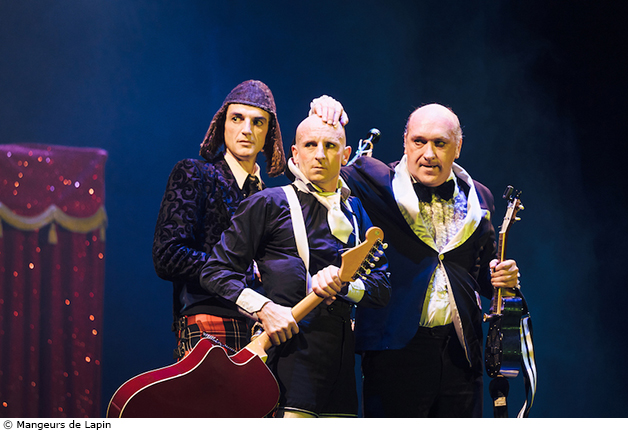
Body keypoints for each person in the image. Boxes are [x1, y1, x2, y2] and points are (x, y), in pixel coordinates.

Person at [198, 114, 390, 418]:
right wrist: (264, 308)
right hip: (288, 358)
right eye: (310, 145)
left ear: (346, 155)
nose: (319, 154)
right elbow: (215, 271)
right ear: (295, 154)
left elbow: (382, 288)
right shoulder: (269, 203)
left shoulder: (355, 212)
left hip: (341, 366)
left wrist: (346, 286)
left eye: (330, 146)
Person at [338, 102, 520, 417]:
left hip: (461, 354)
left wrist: (505, 278)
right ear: (405, 143)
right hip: (393, 350)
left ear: (458, 147)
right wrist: (326, 113)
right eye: (419, 141)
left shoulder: (480, 197)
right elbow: (320, 174)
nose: (428, 153)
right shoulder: (374, 179)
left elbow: (484, 278)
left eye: (440, 143)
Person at [152, 80, 346, 359]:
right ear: (222, 124)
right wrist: (245, 273)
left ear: (270, 133)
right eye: (237, 118)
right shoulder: (196, 174)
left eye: (258, 122)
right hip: (210, 319)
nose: (246, 129)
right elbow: (168, 256)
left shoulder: (272, 196)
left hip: (264, 326)